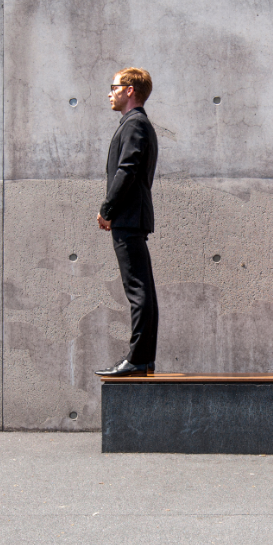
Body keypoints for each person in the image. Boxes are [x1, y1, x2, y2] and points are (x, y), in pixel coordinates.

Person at [94, 68, 160, 377]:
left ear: (130, 90)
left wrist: (107, 208)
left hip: (129, 217)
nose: (110, 92)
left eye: (114, 86)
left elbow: (127, 170)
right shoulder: (138, 125)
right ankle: (143, 359)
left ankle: (137, 359)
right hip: (133, 216)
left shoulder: (135, 125)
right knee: (142, 288)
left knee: (137, 290)